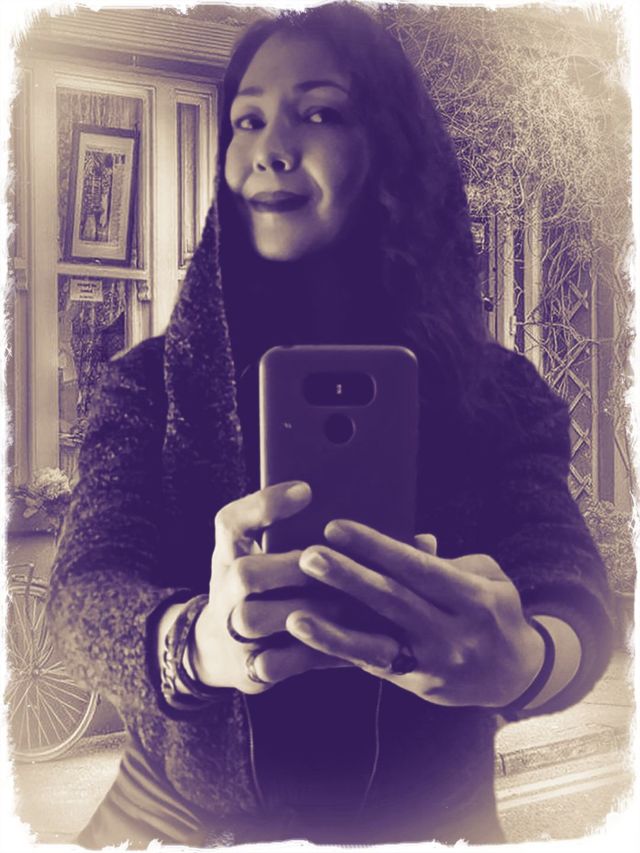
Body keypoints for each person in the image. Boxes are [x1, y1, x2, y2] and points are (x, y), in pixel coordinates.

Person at [48, 3, 614, 848]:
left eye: (318, 113)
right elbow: (82, 591)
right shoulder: (146, 385)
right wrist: (196, 643)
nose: (271, 147)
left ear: (389, 151)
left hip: (430, 825)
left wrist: (526, 658)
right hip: (178, 818)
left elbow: (572, 591)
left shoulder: (503, 394)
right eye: (247, 119)